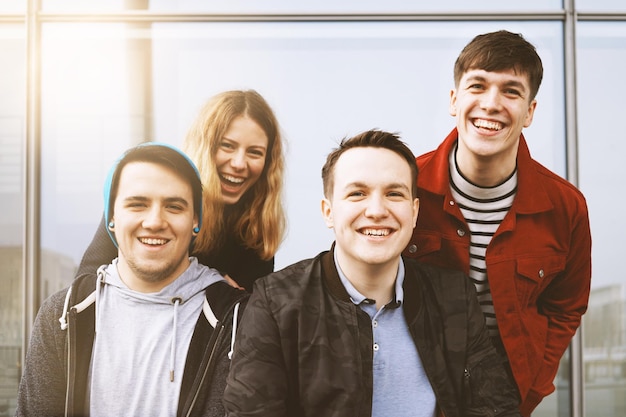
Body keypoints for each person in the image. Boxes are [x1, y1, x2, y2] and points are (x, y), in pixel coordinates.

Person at [223, 129, 521, 417]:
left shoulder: (454, 297)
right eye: (357, 194)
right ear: (328, 211)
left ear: (414, 212)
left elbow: (496, 408)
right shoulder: (275, 303)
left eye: (394, 193)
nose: (377, 210)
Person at [402, 30, 592, 416]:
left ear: (530, 112)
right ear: (455, 100)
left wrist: (533, 385)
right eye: (478, 85)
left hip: (505, 394)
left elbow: (566, 306)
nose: (491, 104)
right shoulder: (405, 186)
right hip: (413, 385)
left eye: (511, 91)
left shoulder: (565, 207)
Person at [16, 143, 248, 417]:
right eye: (137, 204)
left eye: (174, 206)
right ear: (111, 217)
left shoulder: (235, 320)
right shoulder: (63, 315)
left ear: (195, 219)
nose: (154, 221)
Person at [76, 89, 285, 291]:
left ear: (268, 162)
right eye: (227, 146)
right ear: (204, 147)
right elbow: (86, 285)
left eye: (255, 152)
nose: (239, 163)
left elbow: (251, 316)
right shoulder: (146, 196)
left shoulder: (257, 227)